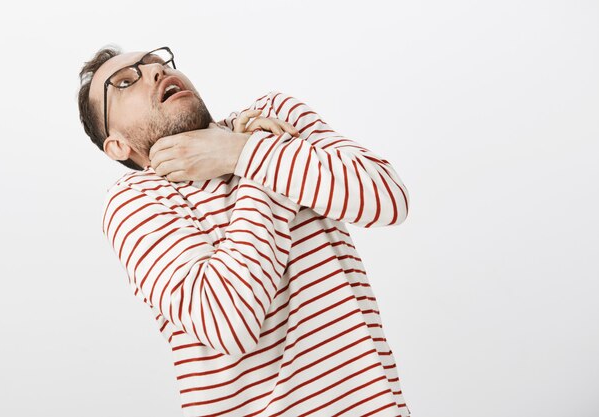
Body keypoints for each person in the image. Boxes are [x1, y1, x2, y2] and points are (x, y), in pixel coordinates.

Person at [78, 45, 412, 417]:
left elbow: (388, 197)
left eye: (157, 64)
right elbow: (229, 321)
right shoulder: (135, 202)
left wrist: (240, 150)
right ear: (118, 146)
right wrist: (253, 156)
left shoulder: (272, 114)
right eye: (125, 83)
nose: (154, 72)